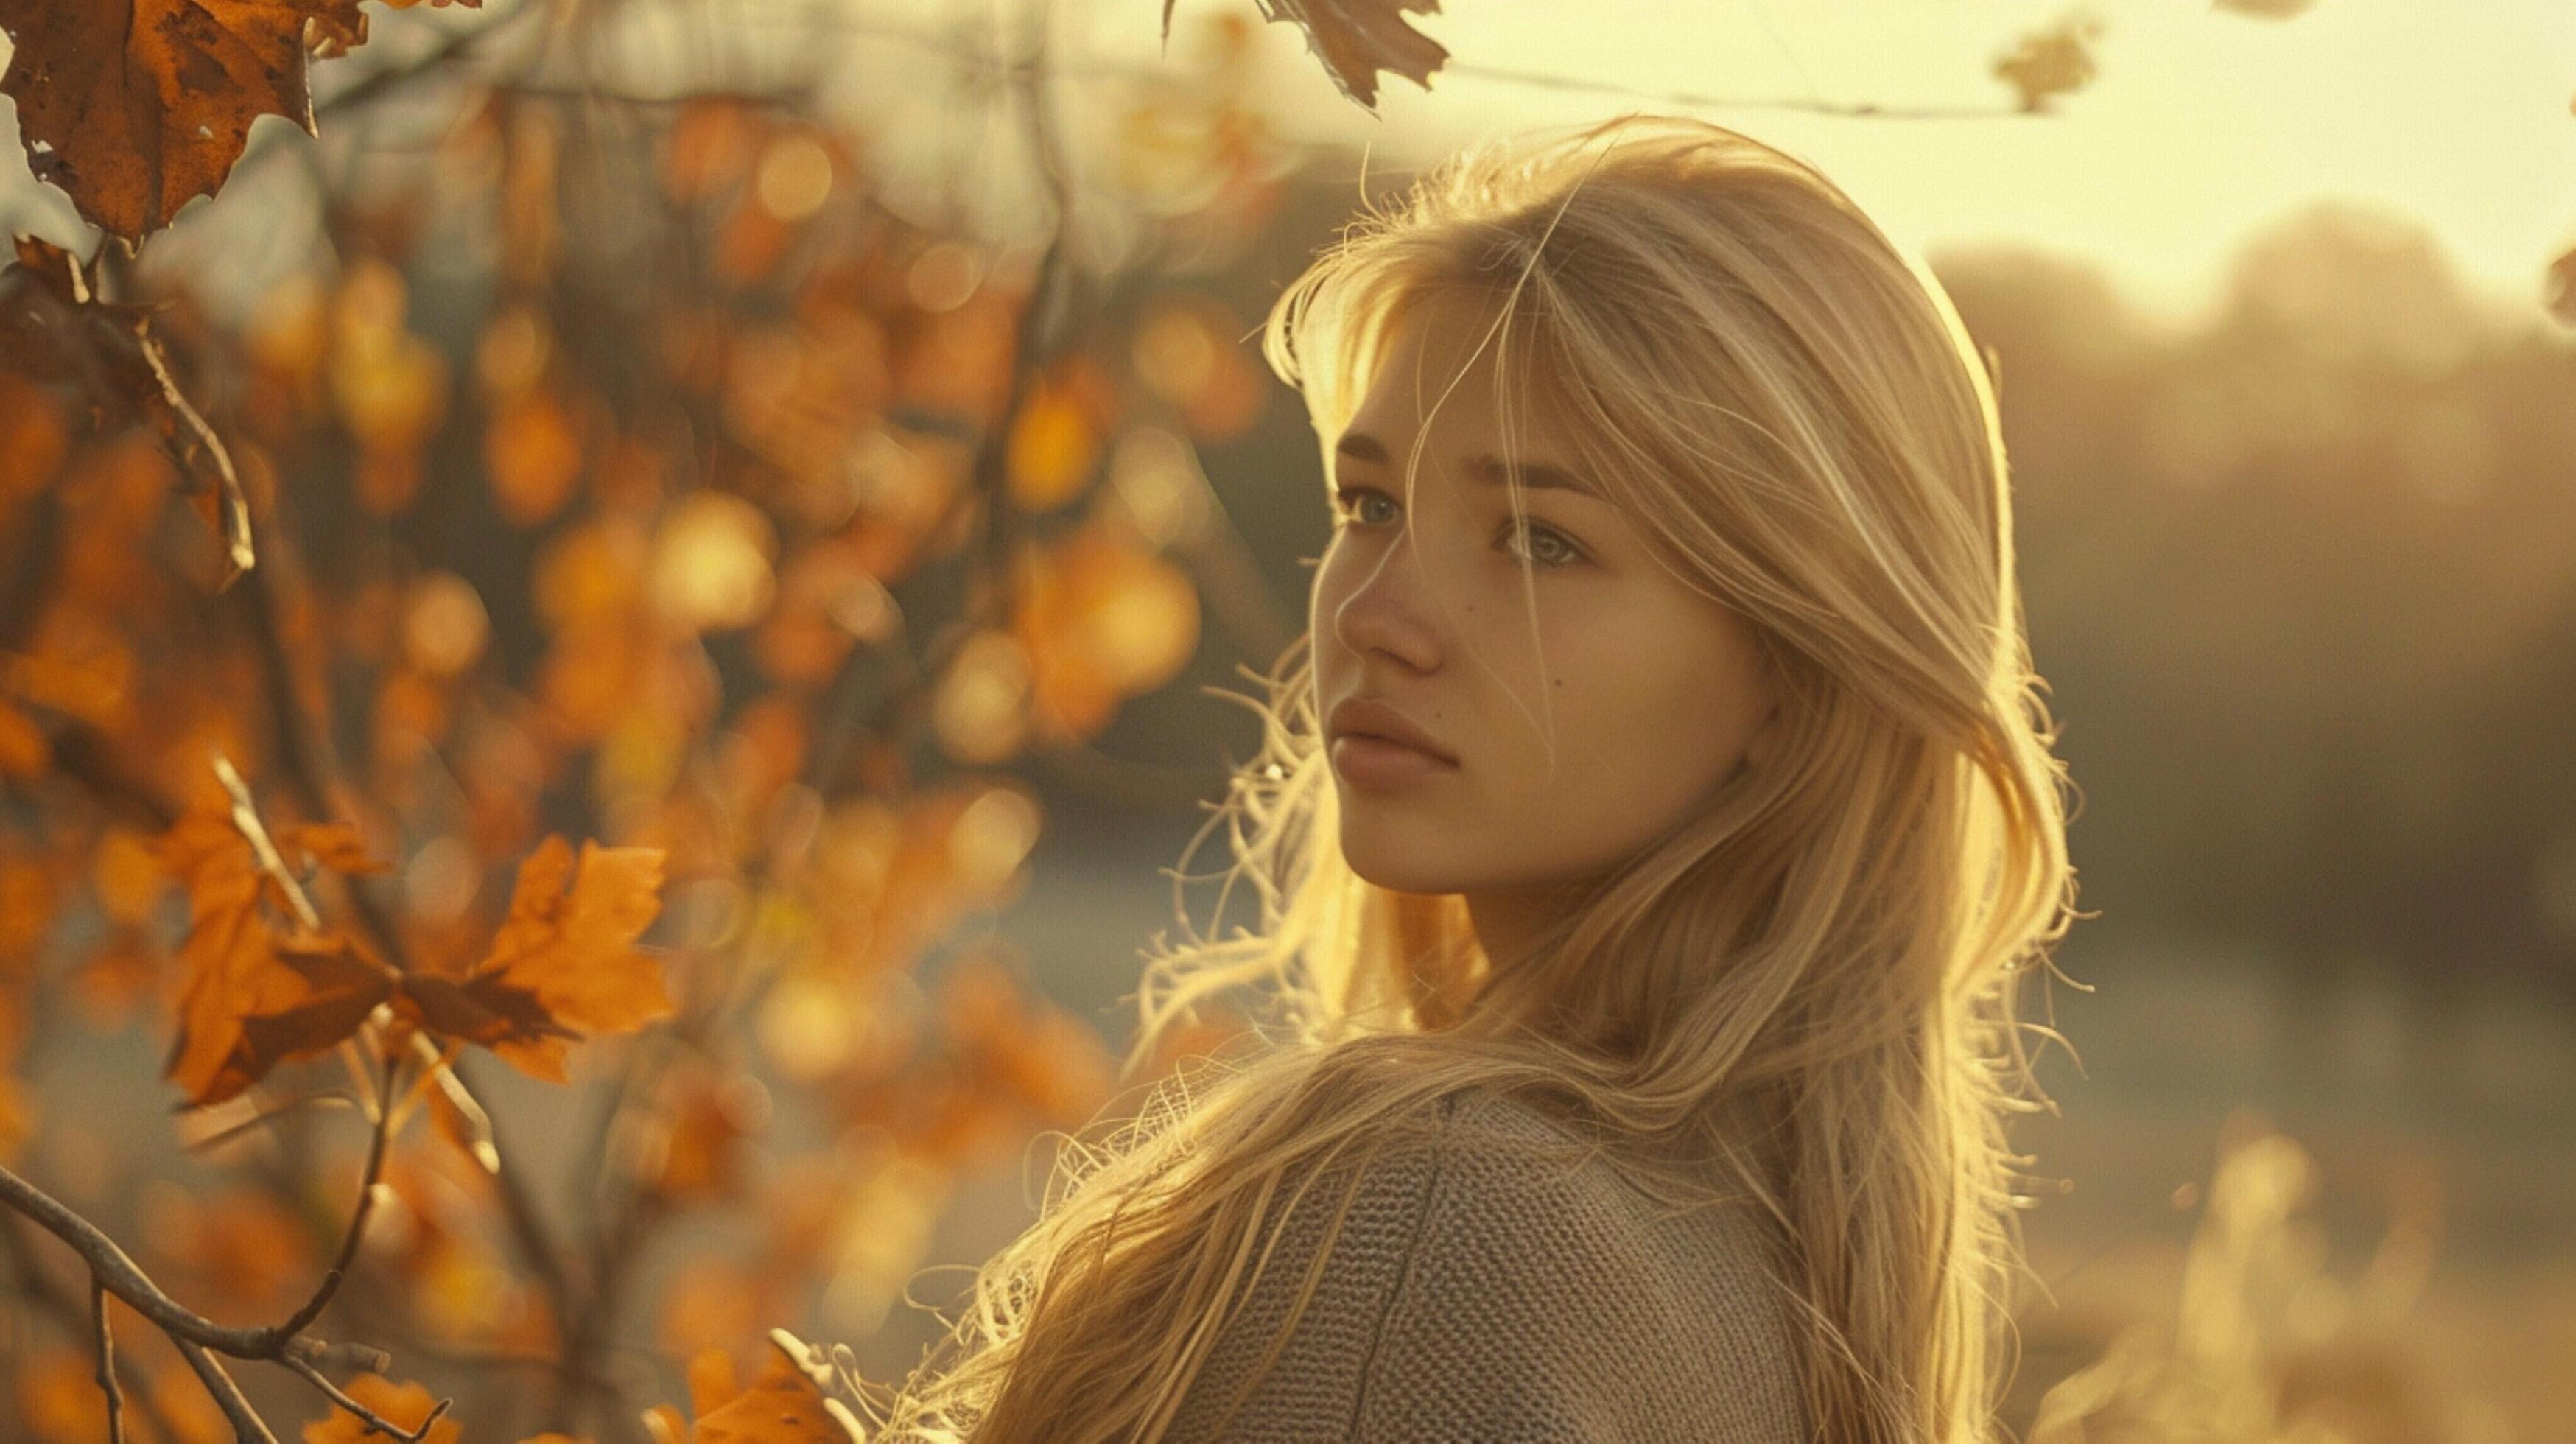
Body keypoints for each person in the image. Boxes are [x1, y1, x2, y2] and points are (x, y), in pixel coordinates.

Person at [859, 112, 2081, 1443]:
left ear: (1797, 673)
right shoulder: (1787, 1277)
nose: (1378, 614)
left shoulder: (1441, 1209)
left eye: (1541, 543)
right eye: (1368, 506)